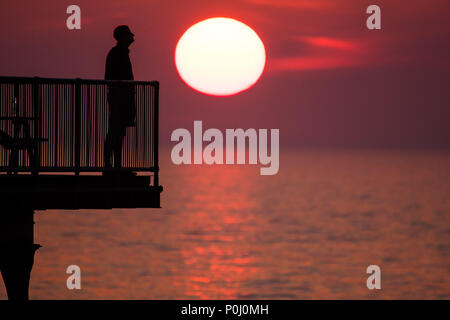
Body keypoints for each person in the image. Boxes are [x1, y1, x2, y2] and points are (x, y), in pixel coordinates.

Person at [104, 25, 136, 168]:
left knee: (119, 131)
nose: (132, 37)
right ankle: (110, 163)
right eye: (129, 35)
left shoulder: (121, 53)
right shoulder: (117, 53)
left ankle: (116, 163)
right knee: (115, 131)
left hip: (124, 99)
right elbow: (110, 77)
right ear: (123, 37)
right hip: (119, 99)